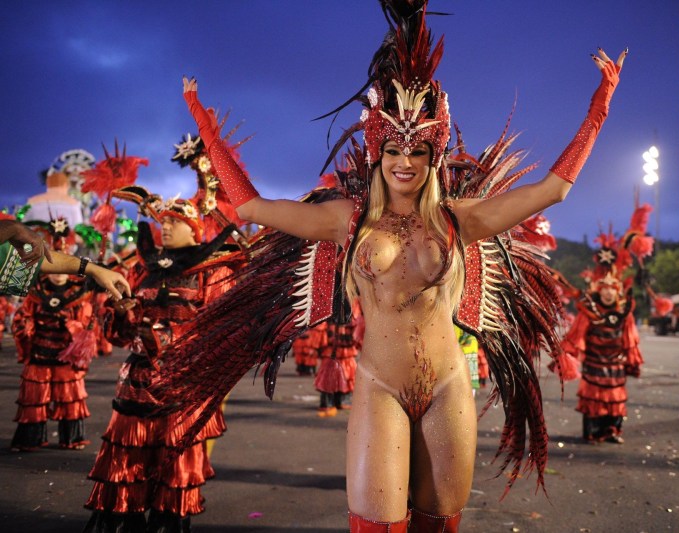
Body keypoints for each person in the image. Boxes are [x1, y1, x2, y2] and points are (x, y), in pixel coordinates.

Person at [162, 2, 625, 530]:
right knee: (377, 525)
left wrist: (599, 110)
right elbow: (250, 208)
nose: (405, 162)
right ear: (377, 154)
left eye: (419, 151)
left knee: (439, 524)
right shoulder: (347, 220)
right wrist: (205, 126)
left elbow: (553, 190)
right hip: (380, 384)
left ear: (433, 157)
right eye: (393, 151)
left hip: (448, 384)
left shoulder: (459, 220)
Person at [81, 194, 238, 531]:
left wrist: (166, 337)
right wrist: (121, 315)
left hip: (184, 386)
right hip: (136, 383)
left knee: (175, 468)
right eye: (162, 220)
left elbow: (221, 332)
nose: (164, 226)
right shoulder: (142, 269)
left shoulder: (214, 271)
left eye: (173, 221)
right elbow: (118, 335)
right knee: (125, 460)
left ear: (194, 228)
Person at [11, 219, 98, 451]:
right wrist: (28, 326)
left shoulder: (79, 294)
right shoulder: (34, 291)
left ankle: (71, 438)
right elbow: (21, 318)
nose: (58, 273)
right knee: (33, 398)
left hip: (66, 358)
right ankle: (30, 439)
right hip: (39, 355)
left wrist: (69, 323)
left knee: (70, 399)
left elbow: (86, 327)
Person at [560, 273, 642, 444]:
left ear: (617, 293)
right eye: (605, 289)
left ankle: (612, 431)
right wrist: (568, 356)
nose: (608, 293)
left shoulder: (624, 313)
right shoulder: (589, 312)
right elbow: (577, 335)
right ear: (599, 292)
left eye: (612, 289)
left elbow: (630, 339)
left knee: (615, 397)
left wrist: (632, 361)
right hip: (594, 362)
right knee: (593, 397)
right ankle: (592, 432)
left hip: (616, 363)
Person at [0, 218, 130, 299]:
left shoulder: (79, 293)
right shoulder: (36, 293)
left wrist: (95, 270)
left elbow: (36, 258)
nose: (59, 274)